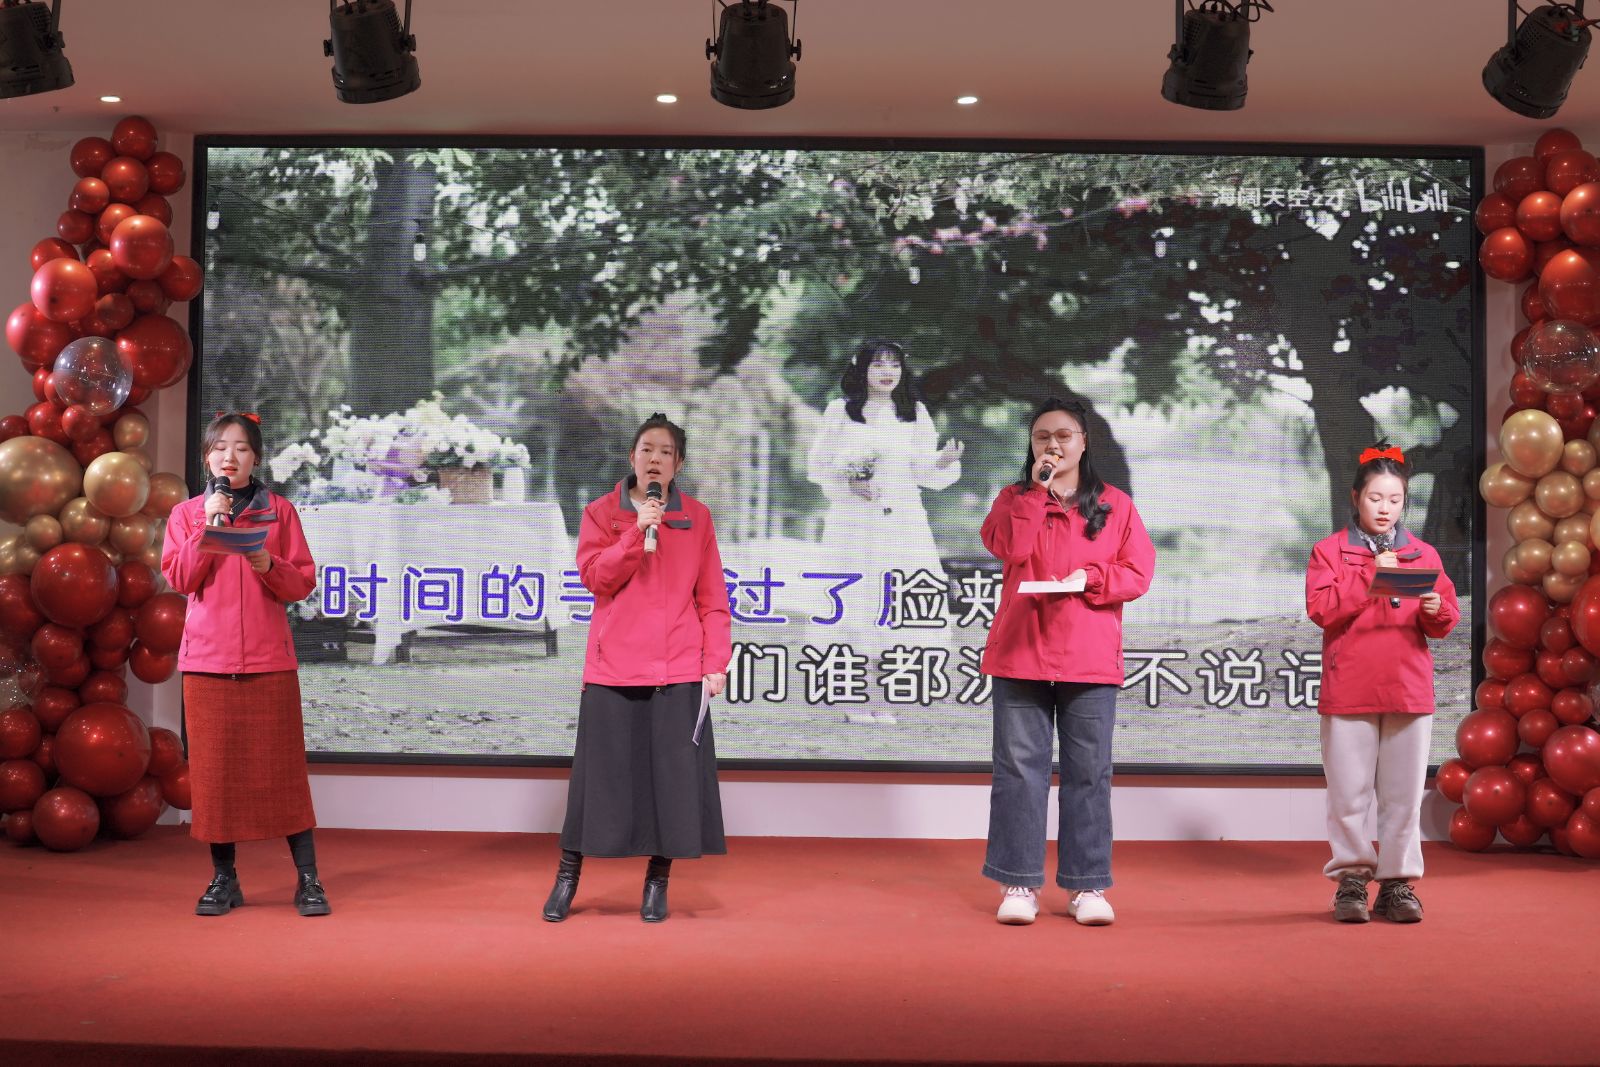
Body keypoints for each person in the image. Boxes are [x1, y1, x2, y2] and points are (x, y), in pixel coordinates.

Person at [543, 413, 731, 923]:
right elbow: (595, 579)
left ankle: (657, 881)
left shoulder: (697, 518)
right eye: (647, 449)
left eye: (666, 452)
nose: (655, 459)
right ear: (632, 457)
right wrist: (636, 533)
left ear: (678, 465)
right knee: (596, 781)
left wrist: (715, 662)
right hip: (614, 668)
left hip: (678, 669)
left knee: (672, 783)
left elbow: (713, 598)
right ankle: (568, 875)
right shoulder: (602, 513)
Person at [978, 397, 1154, 926]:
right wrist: (1037, 493)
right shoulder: (1013, 498)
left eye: (1063, 436)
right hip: (1021, 652)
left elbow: (1138, 572)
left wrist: (1091, 579)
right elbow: (1009, 549)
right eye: (1042, 437)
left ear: (1083, 443)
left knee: (1089, 774)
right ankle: (1018, 882)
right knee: (1018, 772)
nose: (1052, 445)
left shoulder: (1116, 505)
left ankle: (1088, 886)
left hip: (1088, 655)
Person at [161, 412, 327, 917]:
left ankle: (309, 880)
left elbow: (302, 583)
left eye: (240, 448)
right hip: (207, 664)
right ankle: (224, 879)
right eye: (219, 448)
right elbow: (181, 579)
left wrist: (268, 564)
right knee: (215, 780)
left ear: (256, 458)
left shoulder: (280, 512)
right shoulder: (187, 514)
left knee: (284, 774)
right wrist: (208, 527)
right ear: (206, 458)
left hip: (268, 660)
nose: (229, 457)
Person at [1306, 444, 1459, 924]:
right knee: (1348, 796)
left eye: (1395, 499)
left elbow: (1444, 619)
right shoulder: (1330, 551)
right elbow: (1321, 609)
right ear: (1356, 498)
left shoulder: (1422, 553)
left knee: (1402, 797)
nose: (1385, 508)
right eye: (1375, 498)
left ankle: (1397, 884)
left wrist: (1437, 610)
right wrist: (1369, 575)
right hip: (1349, 689)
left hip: (1407, 689)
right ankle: (1352, 880)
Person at [805, 339, 963, 724]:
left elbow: (922, 469)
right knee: (855, 597)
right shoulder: (840, 412)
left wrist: (942, 461)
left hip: (902, 519)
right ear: (862, 369)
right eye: (878, 365)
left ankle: (884, 698)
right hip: (853, 521)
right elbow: (819, 465)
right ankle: (852, 697)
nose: (887, 372)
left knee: (896, 600)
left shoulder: (914, 413)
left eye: (894, 365)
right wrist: (850, 482)